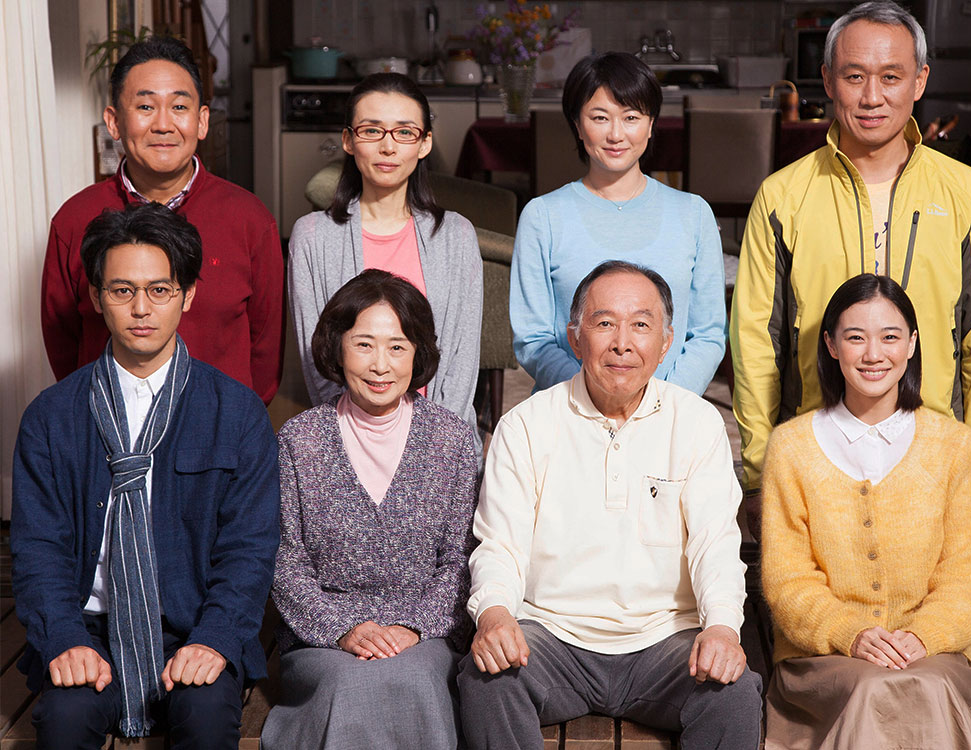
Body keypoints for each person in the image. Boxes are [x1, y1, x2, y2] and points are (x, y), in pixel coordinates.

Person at [458, 261, 761, 749]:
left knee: (734, 692)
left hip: (667, 641)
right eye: (604, 324)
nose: (623, 342)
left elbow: (716, 545)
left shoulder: (698, 424)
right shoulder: (525, 426)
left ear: (665, 342)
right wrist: (494, 614)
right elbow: (500, 546)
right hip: (552, 636)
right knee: (485, 679)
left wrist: (723, 627)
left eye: (641, 325)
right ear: (575, 338)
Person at [11, 203, 280, 749]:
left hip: (193, 625)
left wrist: (215, 639)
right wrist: (63, 639)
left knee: (206, 721)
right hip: (88, 630)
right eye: (121, 290)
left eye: (160, 290)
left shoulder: (238, 412)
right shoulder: (51, 416)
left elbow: (249, 551)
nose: (141, 308)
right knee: (63, 724)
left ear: (188, 295)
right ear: (95, 297)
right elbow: (39, 548)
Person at [731, 0, 971, 514]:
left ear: (920, 80)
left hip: (935, 464)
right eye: (855, 76)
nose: (872, 96)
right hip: (812, 465)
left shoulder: (966, 194)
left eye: (891, 76)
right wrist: (763, 472)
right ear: (828, 79)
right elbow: (755, 344)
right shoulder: (783, 196)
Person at [761, 273, 971, 749]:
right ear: (830, 345)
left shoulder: (955, 447)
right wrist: (852, 634)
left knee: (920, 684)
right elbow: (788, 579)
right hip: (823, 660)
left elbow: (967, 575)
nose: (874, 354)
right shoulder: (790, 447)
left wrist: (923, 637)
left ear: (911, 344)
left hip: (934, 657)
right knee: (874, 687)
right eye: (855, 337)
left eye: (890, 337)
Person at [262, 269, 479, 750]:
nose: (381, 365)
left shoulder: (454, 440)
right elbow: (284, 561)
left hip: (424, 636)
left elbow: (461, 560)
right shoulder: (300, 440)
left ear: (418, 353)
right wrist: (341, 630)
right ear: (337, 348)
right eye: (364, 344)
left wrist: (412, 628)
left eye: (397, 346)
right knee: (350, 684)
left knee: (417, 682)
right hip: (324, 638)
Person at [42, 36, 284, 404]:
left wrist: (236, 424)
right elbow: (64, 343)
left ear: (202, 120)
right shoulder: (74, 220)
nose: (163, 125)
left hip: (218, 433)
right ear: (114, 121)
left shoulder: (249, 219)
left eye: (179, 107)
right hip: (108, 432)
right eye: (145, 106)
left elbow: (266, 350)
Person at [510, 52, 726, 395]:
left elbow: (709, 333)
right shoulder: (542, 216)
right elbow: (532, 338)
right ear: (577, 124)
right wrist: (592, 395)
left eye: (631, 117)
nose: (615, 134)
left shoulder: (693, 213)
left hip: (668, 412)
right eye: (599, 117)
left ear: (651, 123)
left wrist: (660, 403)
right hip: (570, 410)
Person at [287, 73, 483, 436]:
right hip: (345, 438)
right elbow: (318, 361)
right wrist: (357, 440)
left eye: (405, 132)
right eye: (372, 131)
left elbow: (462, 362)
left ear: (424, 143)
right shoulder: (313, 236)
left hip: (440, 442)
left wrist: (428, 447)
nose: (388, 147)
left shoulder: (456, 236)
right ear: (348, 140)